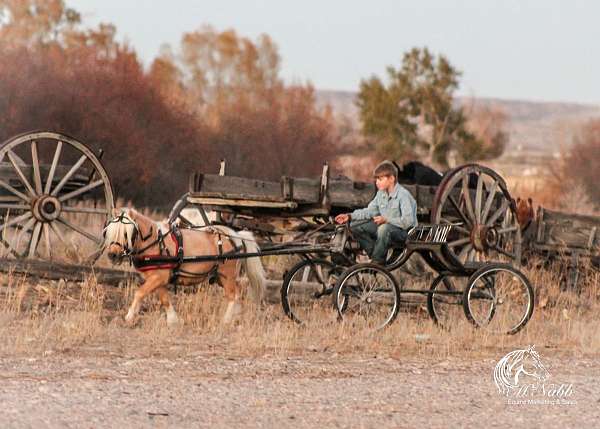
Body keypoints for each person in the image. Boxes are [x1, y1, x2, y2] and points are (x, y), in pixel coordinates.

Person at [335, 160, 418, 265]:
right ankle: (375, 254)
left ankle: (377, 261)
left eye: (380, 179)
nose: (377, 182)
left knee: (384, 228)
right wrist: (349, 216)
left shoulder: (403, 195)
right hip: (386, 229)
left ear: (391, 179)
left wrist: (386, 220)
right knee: (354, 226)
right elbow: (369, 211)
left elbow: (408, 222)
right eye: (376, 179)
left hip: (404, 233)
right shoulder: (381, 194)